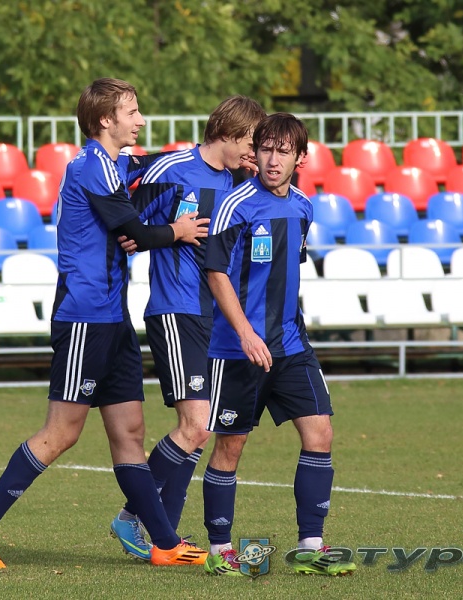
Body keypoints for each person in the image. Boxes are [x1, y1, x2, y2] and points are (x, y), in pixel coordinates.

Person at [0, 78, 209, 569]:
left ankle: (164, 544)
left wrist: (209, 155)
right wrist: (176, 231)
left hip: (114, 319)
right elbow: (134, 231)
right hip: (84, 319)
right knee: (62, 432)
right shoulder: (90, 166)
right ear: (105, 120)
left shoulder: (116, 165)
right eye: (132, 112)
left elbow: (152, 172)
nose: (141, 121)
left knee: (130, 432)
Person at [109, 96, 267, 561]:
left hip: (217, 317)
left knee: (200, 429)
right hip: (177, 310)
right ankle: (133, 517)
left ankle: (166, 535)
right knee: (196, 427)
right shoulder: (171, 169)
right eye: (251, 143)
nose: (254, 153)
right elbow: (124, 225)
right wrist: (160, 235)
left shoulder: (239, 182)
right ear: (231, 133)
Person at [200, 112, 356, 576]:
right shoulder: (236, 204)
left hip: (290, 345)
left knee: (320, 433)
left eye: (283, 152)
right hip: (237, 350)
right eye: (266, 149)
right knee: (230, 447)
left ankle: (310, 545)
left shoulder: (304, 207)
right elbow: (215, 272)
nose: (272, 160)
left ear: (299, 158)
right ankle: (219, 549)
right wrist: (245, 333)